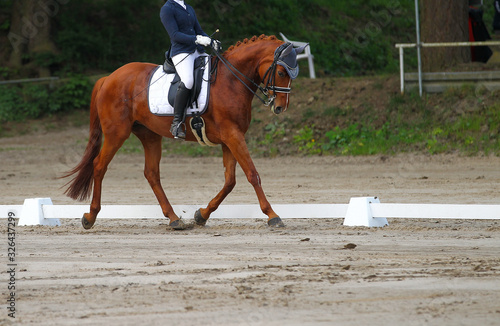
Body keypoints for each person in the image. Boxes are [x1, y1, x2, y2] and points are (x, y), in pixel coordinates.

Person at [160, 0, 212, 139]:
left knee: (214, 69)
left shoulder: (188, 8)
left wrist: (210, 41)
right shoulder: (167, 9)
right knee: (188, 80)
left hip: (197, 50)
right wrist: (196, 39)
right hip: (181, 51)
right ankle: (176, 123)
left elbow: (199, 31)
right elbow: (175, 35)